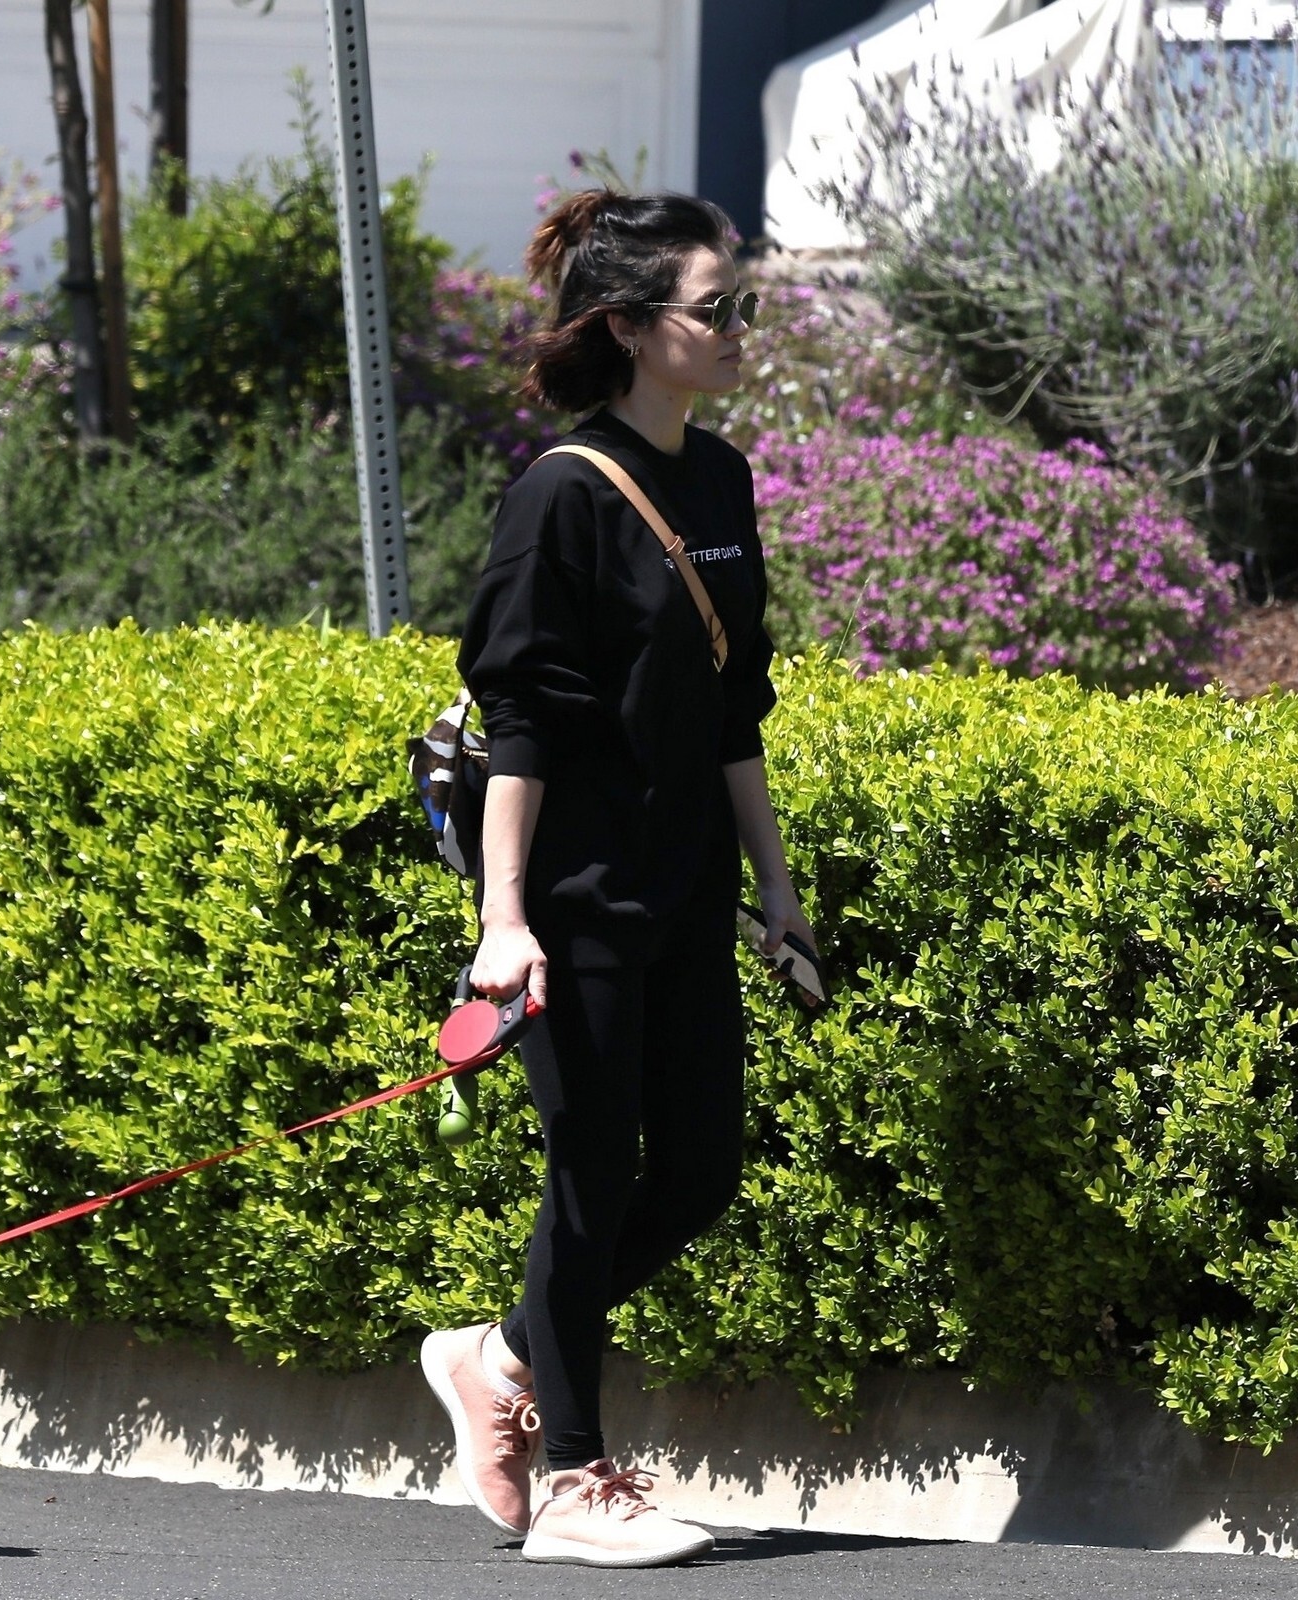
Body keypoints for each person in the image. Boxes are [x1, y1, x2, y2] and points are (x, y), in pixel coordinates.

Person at [418, 188, 814, 1569]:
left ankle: (496, 1357)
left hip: (687, 887)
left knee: (700, 1172)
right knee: (590, 1175)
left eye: (742, 302)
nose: (741, 327)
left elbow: (735, 710)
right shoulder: (562, 496)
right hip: (575, 900)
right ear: (634, 328)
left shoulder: (723, 479)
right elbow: (522, 723)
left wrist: (776, 890)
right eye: (718, 307)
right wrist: (503, 921)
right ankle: (577, 1483)